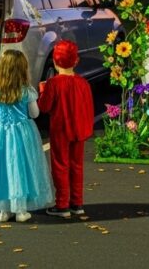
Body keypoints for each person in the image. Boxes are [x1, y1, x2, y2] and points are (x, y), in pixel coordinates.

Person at [0, 50, 54, 223]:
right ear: (23, 69)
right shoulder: (27, 91)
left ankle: (4, 210)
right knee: (21, 167)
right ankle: (20, 210)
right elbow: (34, 114)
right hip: (21, 133)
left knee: (1, 168)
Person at [37, 40, 94, 218]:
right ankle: (77, 203)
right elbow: (88, 108)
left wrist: (42, 92)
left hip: (60, 130)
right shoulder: (83, 83)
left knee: (60, 166)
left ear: (55, 61)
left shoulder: (53, 83)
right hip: (79, 130)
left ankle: (62, 204)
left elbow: (44, 107)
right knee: (77, 166)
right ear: (76, 61)